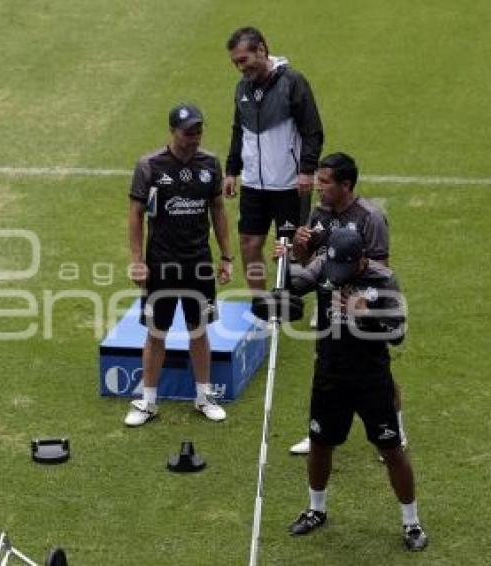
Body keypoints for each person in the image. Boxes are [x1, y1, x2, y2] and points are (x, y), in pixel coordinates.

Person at [265, 228, 427, 551]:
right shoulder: (324, 264)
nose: (335, 277)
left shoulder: (384, 280)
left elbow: (397, 333)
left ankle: (411, 523)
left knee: (392, 450)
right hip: (329, 376)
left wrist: (366, 315)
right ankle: (316, 509)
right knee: (320, 444)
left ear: (362, 259)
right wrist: (283, 273)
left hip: (371, 379)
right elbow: (293, 287)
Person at [286, 152, 408, 455]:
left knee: (378, 371)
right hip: (329, 305)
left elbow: (381, 268)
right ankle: (317, 434)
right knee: (324, 367)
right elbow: (310, 263)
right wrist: (300, 247)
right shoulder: (319, 213)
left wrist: (361, 307)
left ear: (346, 185)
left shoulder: (370, 217)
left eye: (325, 183)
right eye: (318, 181)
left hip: (361, 306)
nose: (318, 188)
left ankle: (396, 430)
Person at [125, 103, 234, 426]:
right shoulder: (149, 166)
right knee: (156, 334)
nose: (194, 137)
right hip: (161, 263)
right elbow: (135, 214)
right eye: (188, 132)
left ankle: (203, 396)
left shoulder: (209, 164)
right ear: (173, 131)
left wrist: (226, 257)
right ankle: (147, 402)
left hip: (198, 262)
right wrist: (137, 260)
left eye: (198, 131)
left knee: (198, 331)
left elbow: (217, 209)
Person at [223, 26, 324, 291]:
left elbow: (312, 130)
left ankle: (325, 292)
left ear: (261, 50)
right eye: (235, 63)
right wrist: (232, 170)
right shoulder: (242, 88)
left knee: (298, 247)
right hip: (254, 184)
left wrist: (307, 170)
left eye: (243, 60)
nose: (240, 68)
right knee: (249, 243)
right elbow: (239, 129)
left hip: (289, 184)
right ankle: (260, 305)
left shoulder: (293, 82)